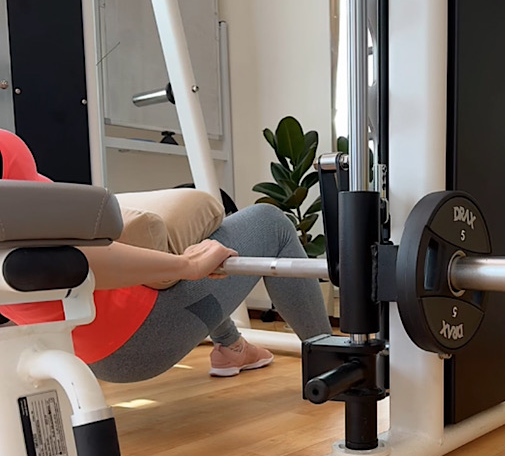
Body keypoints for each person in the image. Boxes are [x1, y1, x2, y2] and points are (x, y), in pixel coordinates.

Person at [0, 129, 332, 384]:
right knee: (270, 222)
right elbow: (71, 260)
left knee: (199, 240)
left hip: (80, 352)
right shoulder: (4, 148)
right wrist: (187, 265)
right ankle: (333, 364)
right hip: (141, 336)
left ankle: (232, 347)